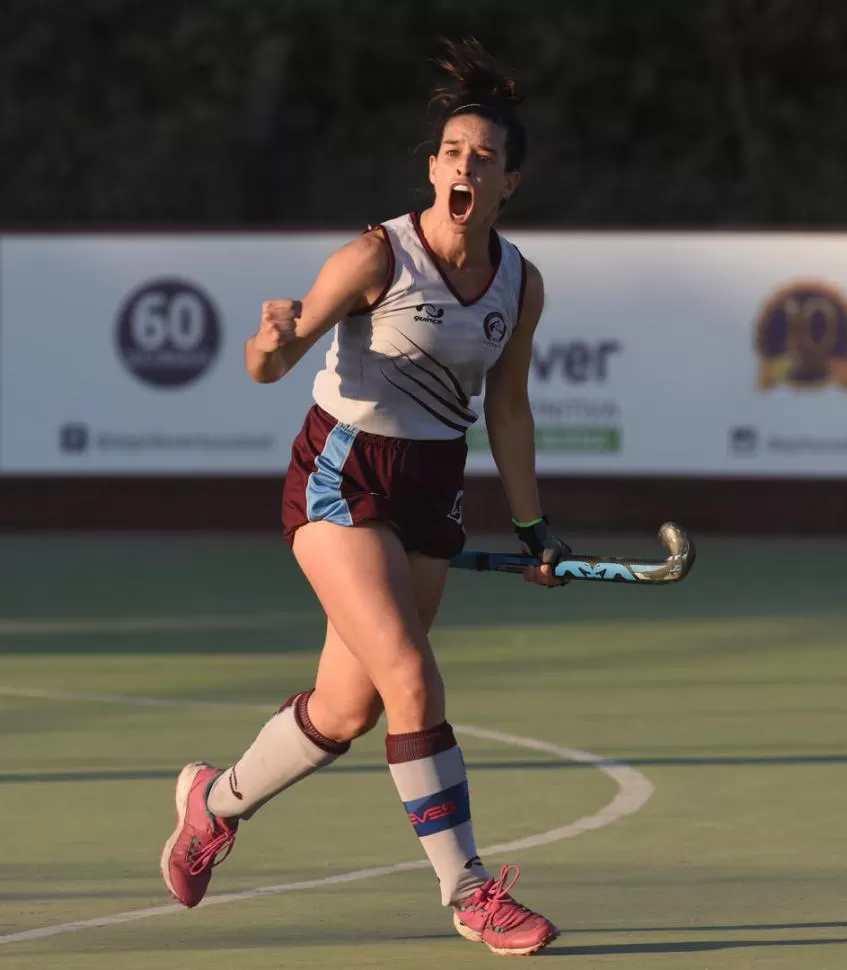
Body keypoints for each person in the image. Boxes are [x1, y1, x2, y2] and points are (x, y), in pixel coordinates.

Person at [160, 36, 571, 958]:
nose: (465, 165)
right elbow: (274, 359)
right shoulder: (378, 256)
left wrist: (536, 528)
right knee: (414, 678)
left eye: (486, 157)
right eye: (453, 152)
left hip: (433, 490)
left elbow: (507, 409)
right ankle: (469, 891)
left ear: (510, 186)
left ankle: (211, 804)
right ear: (433, 168)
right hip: (341, 476)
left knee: (349, 710)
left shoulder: (519, 284)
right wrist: (268, 342)